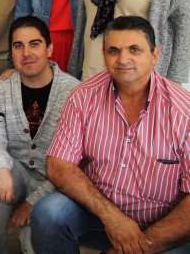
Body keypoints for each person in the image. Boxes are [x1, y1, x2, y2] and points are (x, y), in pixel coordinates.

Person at [33, 16, 190, 253]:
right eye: (114, 50)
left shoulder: (183, 111)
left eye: (134, 49)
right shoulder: (83, 96)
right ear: (104, 56)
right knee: (48, 213)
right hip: (100, 217)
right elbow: (58, 165)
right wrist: (112, 217)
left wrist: (137, 246)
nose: (123, 59)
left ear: (155, 55)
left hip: (161, 228)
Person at [0, 16, 78, 254]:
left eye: (35, 44)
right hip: (15, 167)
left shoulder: (74, 92)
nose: (26, 53)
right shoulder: (0, 88)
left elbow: (74, 164)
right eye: (18, 46)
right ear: (11, 52)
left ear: (49, 48)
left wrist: (34, 200)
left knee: (35, 245)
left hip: (55, 178)